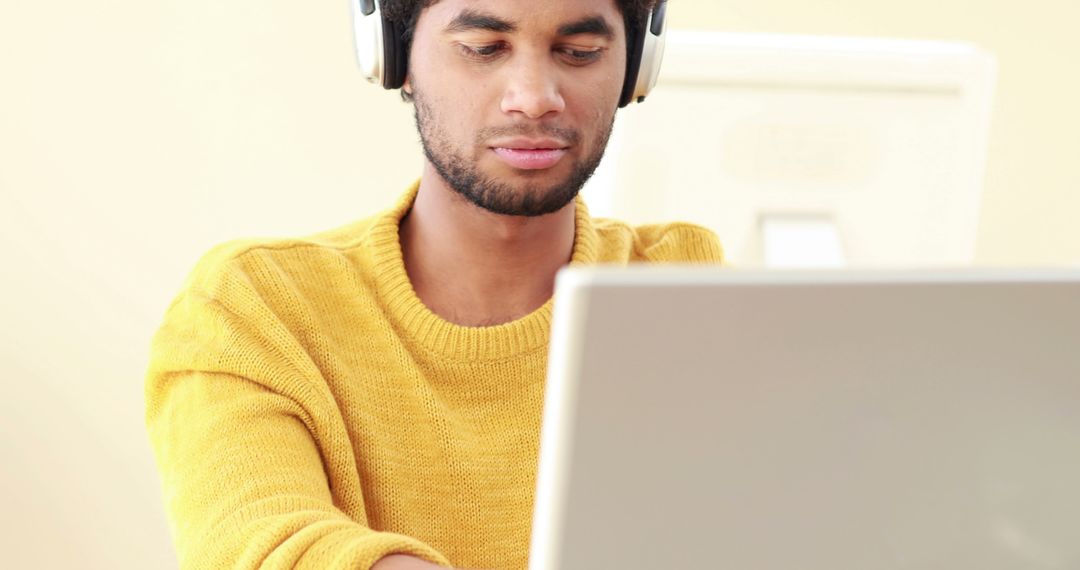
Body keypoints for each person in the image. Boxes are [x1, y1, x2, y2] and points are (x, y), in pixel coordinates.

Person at [145, 0, 723, 568]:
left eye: (580, 52)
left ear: (635, 68)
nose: (534, 98)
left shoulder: (686, 291)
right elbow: (259, 541)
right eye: (483, 48)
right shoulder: (255, 305)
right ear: (394, 60)